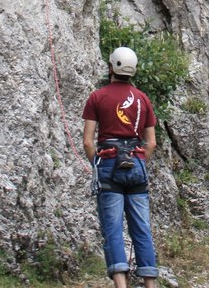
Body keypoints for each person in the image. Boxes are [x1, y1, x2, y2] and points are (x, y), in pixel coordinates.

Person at [82, 47, 159, 288]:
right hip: (136, 163)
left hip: (109, 162)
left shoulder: (97, 97)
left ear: (111, 67)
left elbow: (87, 141)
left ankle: (121, 285)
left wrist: (98, 162)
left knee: (113, 228)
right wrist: (138, 160)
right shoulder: (142, 98)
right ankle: (150, 284)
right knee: (142, 228)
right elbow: (152, 142)